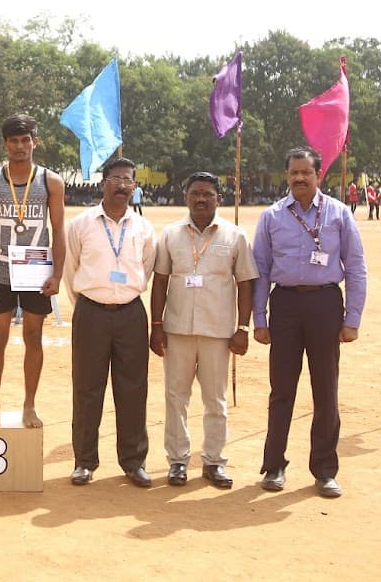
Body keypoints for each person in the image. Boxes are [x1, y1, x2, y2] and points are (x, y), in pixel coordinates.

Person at [253, 147, 367, 498]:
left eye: (306, 172)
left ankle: (325, 470)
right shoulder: (272, 216)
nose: (299, 178)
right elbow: (260, 270)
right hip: (285, 304)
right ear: (287, 176)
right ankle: (274, 465)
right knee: (281, 389)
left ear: (319, 175)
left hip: (325, 304)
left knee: (326, 390)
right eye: (294, 173)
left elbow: (356, 267)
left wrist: (352, 319)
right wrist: (260, 319)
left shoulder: (339, 214)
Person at [149, 172, 258, 489]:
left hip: (218, 332)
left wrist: (242, 327)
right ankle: (178, 461)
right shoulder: (170, 235)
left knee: (215, 400)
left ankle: (213, 461)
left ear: (219, 199)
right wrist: (156, 326)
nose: (200, 199)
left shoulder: (235, 236)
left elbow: (245, 283)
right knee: (175, 397)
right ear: (185, 197)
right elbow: (160, 282)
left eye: (207, 194)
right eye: (195, 193)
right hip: (177, 330)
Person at [63, 157, 156, 487]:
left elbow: (146, 267)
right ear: (103, 184)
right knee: (87, 389)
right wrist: (89, 303)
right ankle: (84, 461)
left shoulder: (143, 228)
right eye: (115, 179)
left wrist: (123, 296)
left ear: (135, 187)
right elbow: (70, 268)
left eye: (128, 180)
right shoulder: (81, 224)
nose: (121, 185)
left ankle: (133, 461)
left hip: (131, 314)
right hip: (91, 314)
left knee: (133, 389)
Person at [0, 114, 65, 428]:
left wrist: (57, 274)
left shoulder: (51, 181)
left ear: (35, 142)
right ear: (5, 144)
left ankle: (29, 405)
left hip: (36, 273)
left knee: (34, 337)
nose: (20, 146)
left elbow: (59, 230)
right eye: (13, 141)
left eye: (25, 140)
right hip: (0, 272)